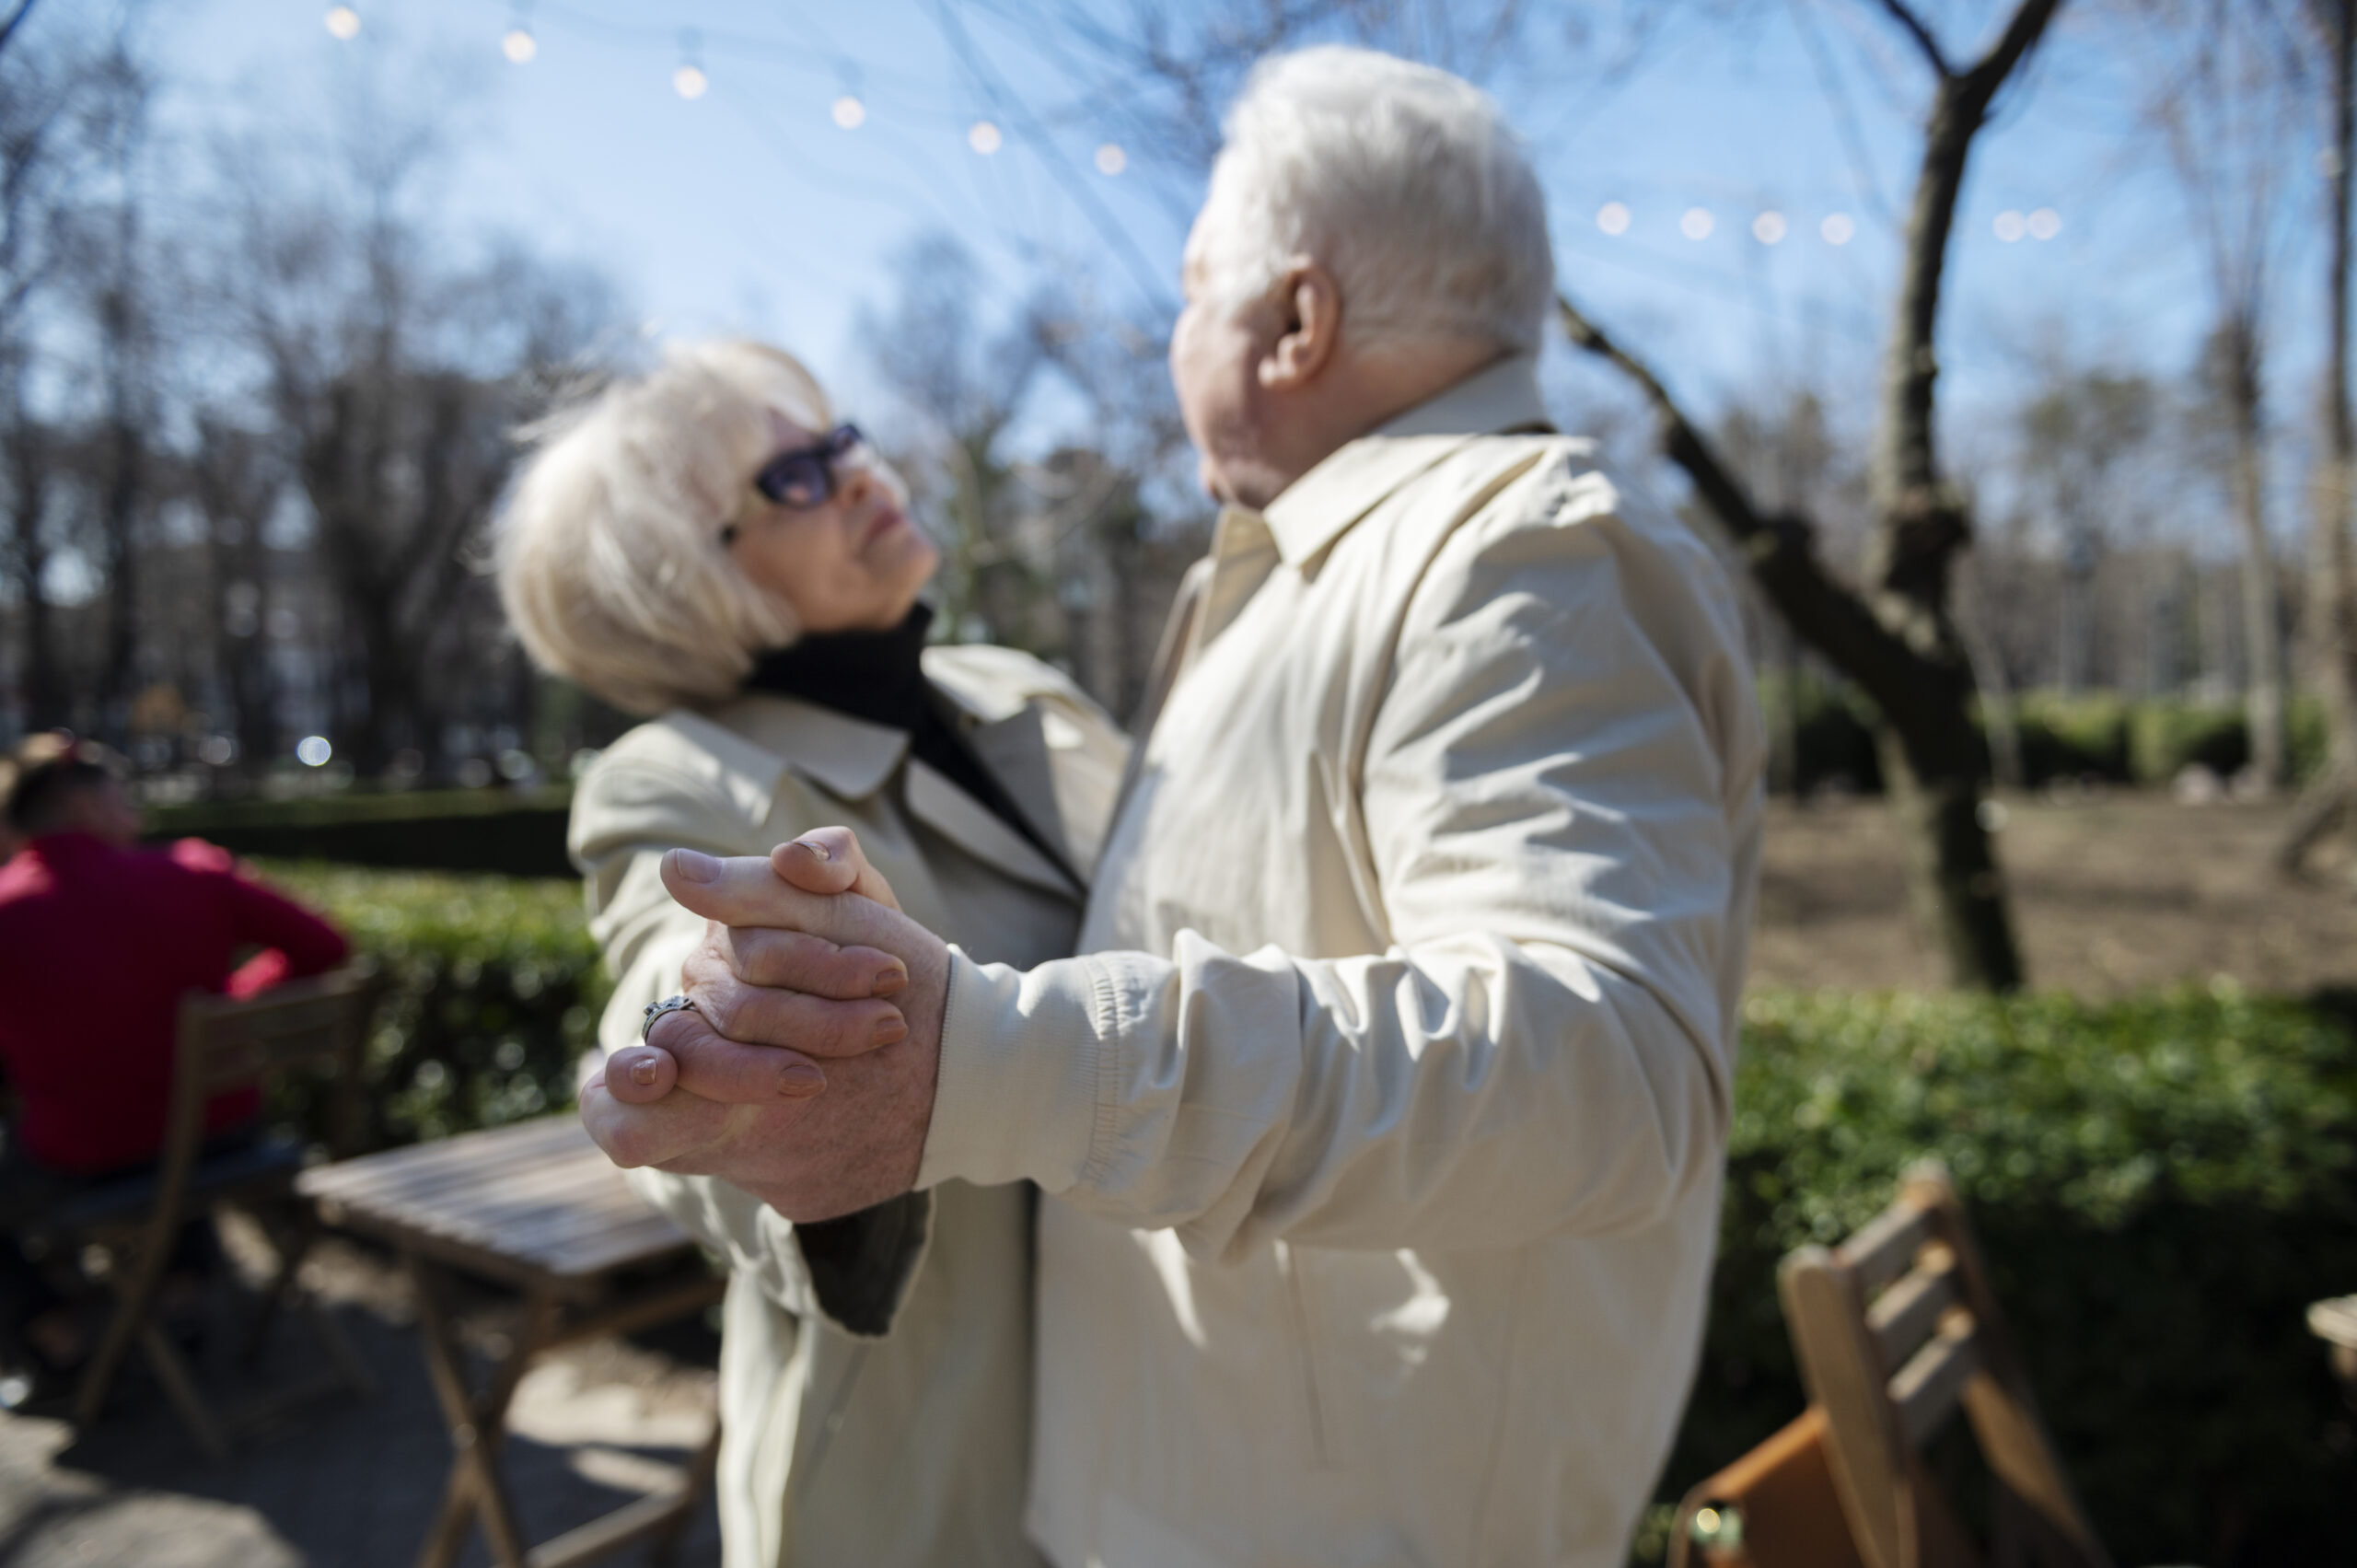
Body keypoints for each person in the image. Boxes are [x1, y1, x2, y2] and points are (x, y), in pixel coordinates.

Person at [590, 45, 1768, 1568]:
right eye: (794, 476)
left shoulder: (1510, 558)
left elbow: (1606, 1061)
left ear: (1294, 319)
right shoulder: (1315, 578)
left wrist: (997, 1060)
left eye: (1193, 287)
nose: (1171, 335)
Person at [492, 338, 1127, 1568]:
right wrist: (733, 1036)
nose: (853, 471)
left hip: (1184, 1412)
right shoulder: (674, 777)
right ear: (684, 574)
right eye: (791, 473)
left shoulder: (1019, 688)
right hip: (927, 1473)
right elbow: (670, 958)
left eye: (839, 439)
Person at [0, 741, 350, 1389]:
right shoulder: (193, 871)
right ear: (80, 805)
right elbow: (325, 943)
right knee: (168, 1126)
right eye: (120, 796)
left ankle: (55, 1332)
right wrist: (224, 1012)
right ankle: (180, 1292)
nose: (132, 810)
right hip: (226, 1137)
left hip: (90, 1157)